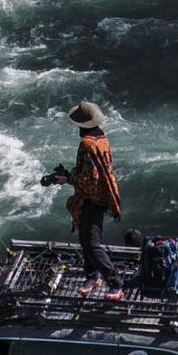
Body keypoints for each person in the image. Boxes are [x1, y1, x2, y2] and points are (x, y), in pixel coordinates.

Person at [44, 101, 126, 282]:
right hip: (105, 193)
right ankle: (91, 275)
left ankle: (114, 280)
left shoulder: (86, 144)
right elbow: (94, 170)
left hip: (93, 198)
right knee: (87, 239)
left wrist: (69, 179)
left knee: (90, 243)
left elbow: (90, 180)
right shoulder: (102, 138)